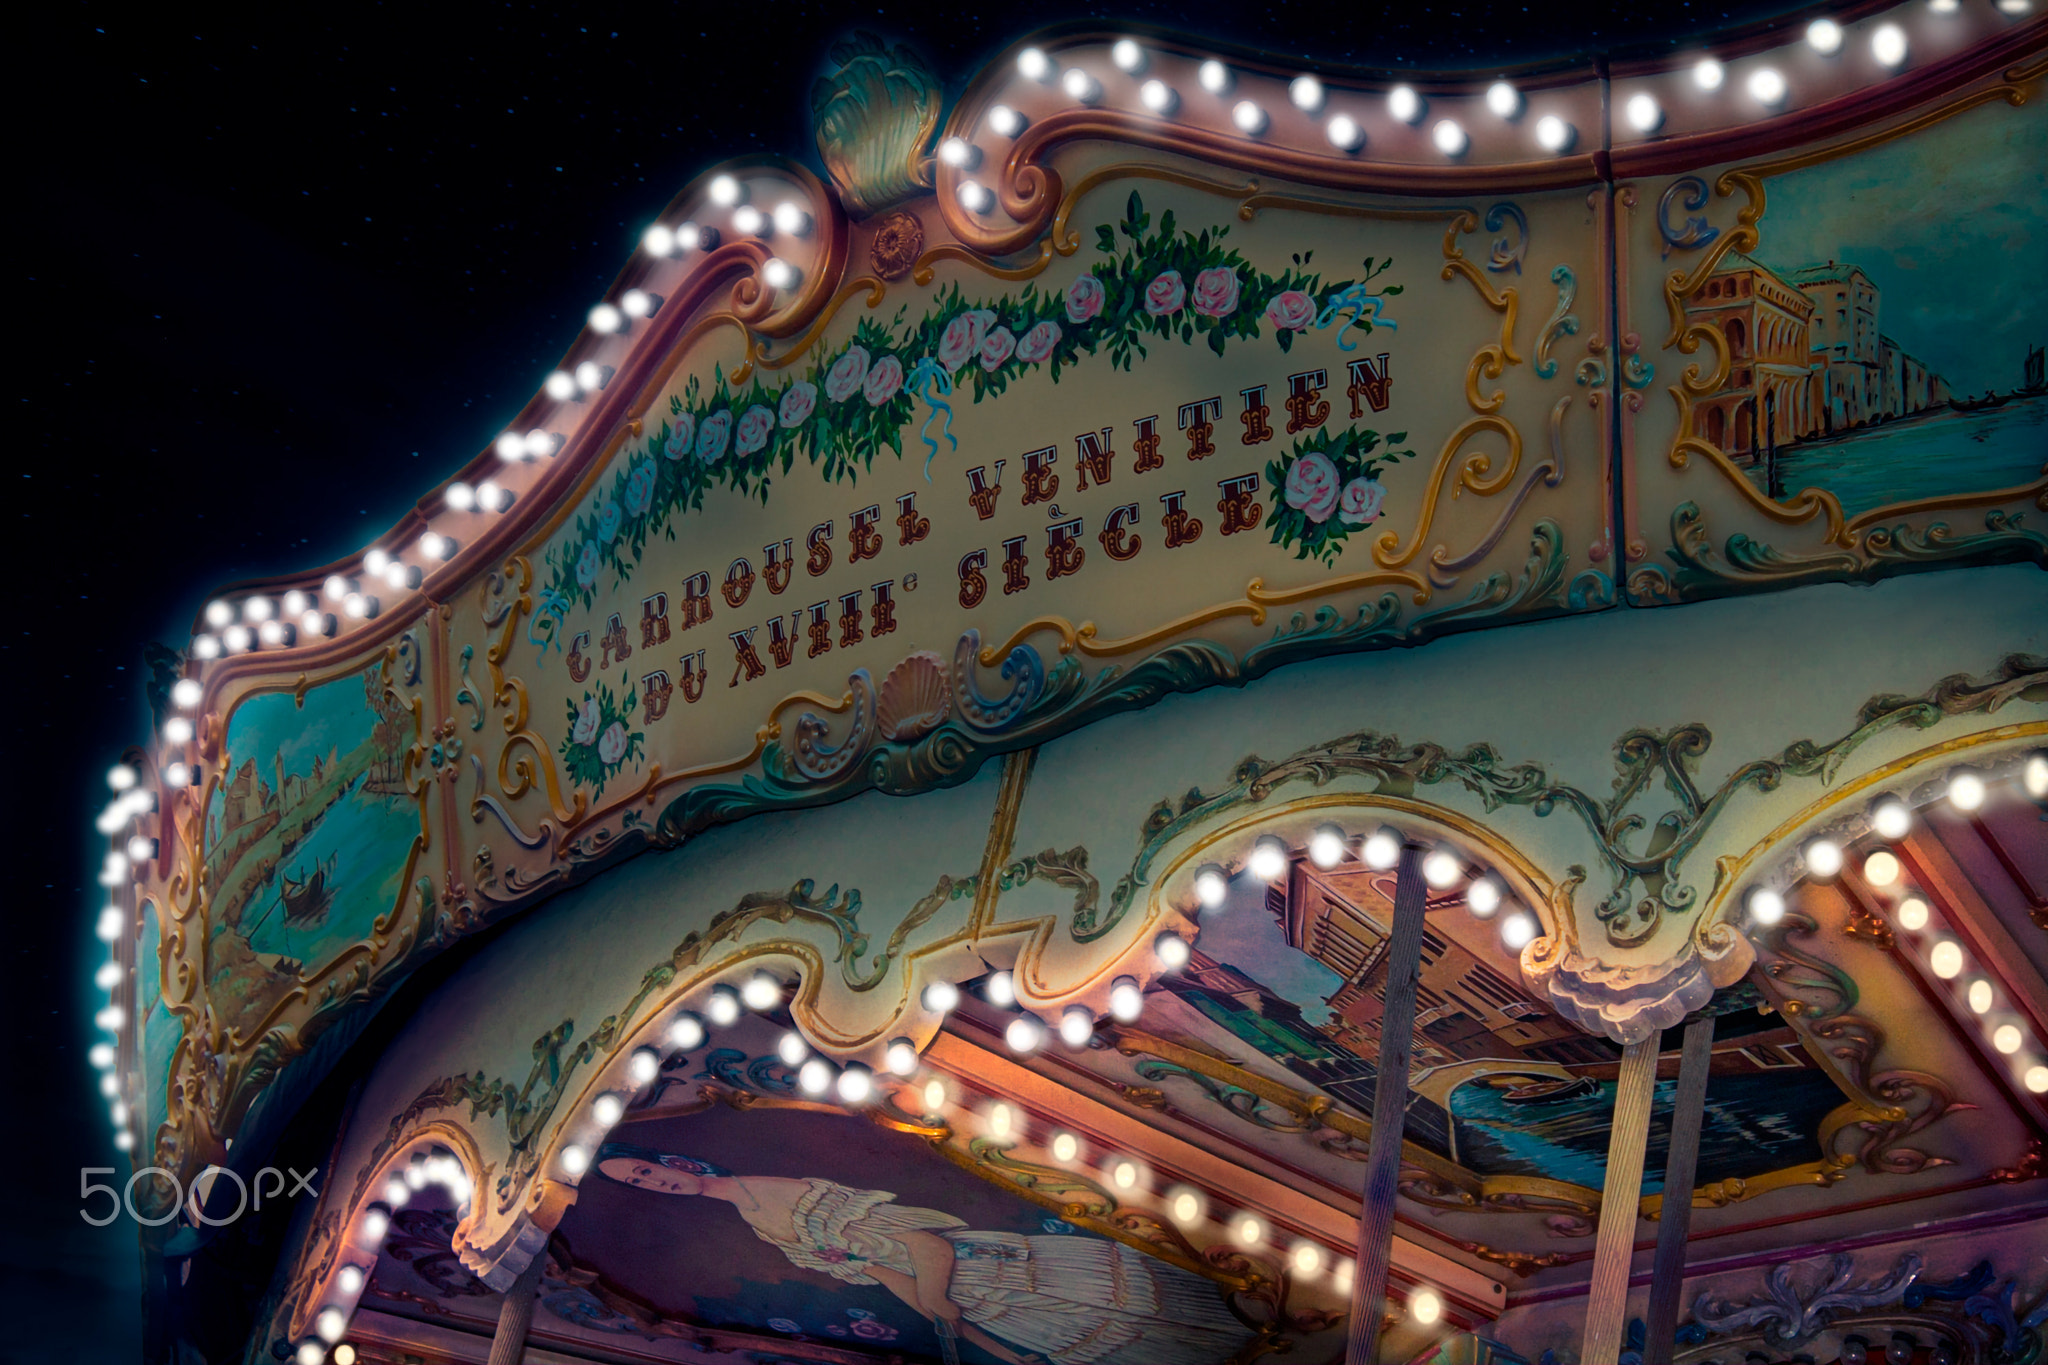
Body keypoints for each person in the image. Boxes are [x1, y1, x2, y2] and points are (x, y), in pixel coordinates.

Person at [594, 1143, 1249, 1365]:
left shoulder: (772, 1191)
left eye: (649, 1174)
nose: (657, 1185)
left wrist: (937, 1298)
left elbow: (919, 1241)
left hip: (987, 1265)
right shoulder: (753, 1221)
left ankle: (1248, 1315)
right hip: (981, 1298)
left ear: (675, 1162)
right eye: (639, 1186)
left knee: (1137, 1306)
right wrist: (966, 1332)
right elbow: (881, 1271)